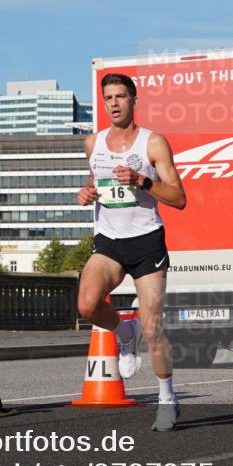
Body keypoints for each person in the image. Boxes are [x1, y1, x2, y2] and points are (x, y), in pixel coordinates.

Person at [76, 73, 187, 431]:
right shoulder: (93, 143)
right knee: (87, 306)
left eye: (120, 96)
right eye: (108, 97)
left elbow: (179, 198)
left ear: (133, 101)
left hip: (146, 241)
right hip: (109, 240)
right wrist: (86, 194)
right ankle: (124, 333)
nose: (114, 103)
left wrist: (143, 181)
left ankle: (167, 398)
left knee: (153, 327)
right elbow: (95, 184)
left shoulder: (152, 142)